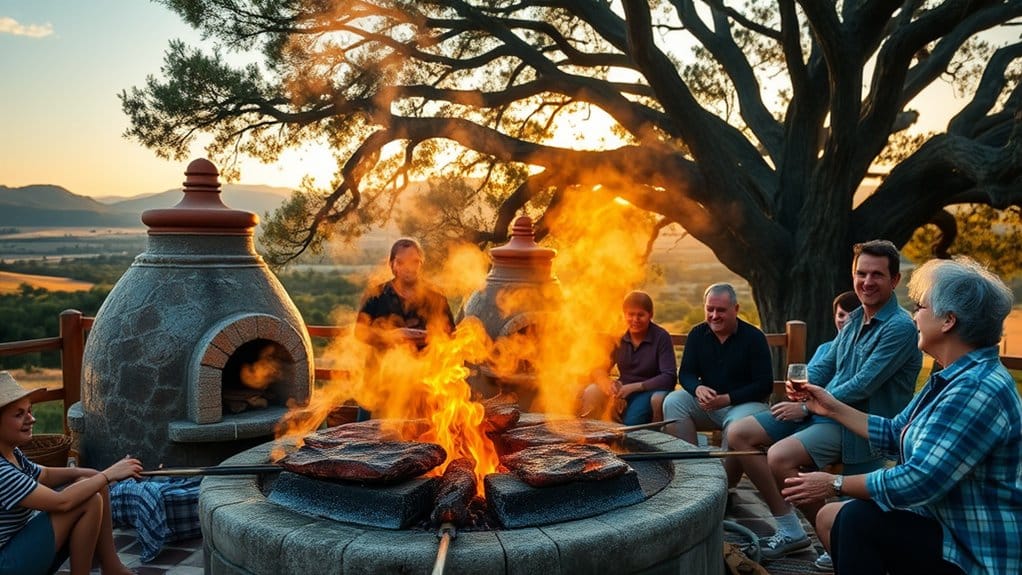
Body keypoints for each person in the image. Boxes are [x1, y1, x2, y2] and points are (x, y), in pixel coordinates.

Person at [782, 257, 1021, 575]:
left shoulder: (975, 389)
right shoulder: (952, 376)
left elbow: (919, 480)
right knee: (839, 517)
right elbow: (896, 431)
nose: (914, 316)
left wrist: (833, 483)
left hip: (973, 551)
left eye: (920, 307)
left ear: (948, 321)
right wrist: (830, 407)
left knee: (856, 521)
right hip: (943, 525)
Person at [727, 239, 921, 560]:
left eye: (877, 275)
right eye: (861, 274)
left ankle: (835, 537)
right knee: (739, 433)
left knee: (779, 457)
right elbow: (825, 363)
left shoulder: (900, 328)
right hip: (824, 412)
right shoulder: (856, 318)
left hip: (858, 423)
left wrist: (805, 405)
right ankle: (789, 527)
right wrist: (802, 386)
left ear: (895, 280)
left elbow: (861, 386)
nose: (867, 282)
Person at [0, 371, 142, 575]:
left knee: (92, 487)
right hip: (7, 564)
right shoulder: (2, 472)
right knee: (88, 500)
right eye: (19, 414)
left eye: (29, 411)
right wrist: (107, 475)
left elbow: (46, 475)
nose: (31, 419)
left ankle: (112, 567)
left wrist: (94, 474)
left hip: (18, 554)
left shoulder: (13, 454)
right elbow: (61, 502)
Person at [661, 283, 774, 486]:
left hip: (745, 405)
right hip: (710, 404)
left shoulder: (754, 338)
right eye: (710, 309)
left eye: (721, 310)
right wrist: (697, 388)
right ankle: (691, 473)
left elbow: (764, 384)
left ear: (736, 309)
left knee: (737, 427)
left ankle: (722, 486)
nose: (714, 315)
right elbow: (685, 372)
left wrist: (727, 399)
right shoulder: (697, 334)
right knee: (673, 401)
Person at [580, 291, 677, 425]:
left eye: (640, 315)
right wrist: (607, 385)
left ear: (650, 315)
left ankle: (628, 442)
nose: (635, 320)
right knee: (592, 391)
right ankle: (592, 437)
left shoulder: (661, 337)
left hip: (648, 391)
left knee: (630, 424)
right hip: (621, 389)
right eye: (630, 314)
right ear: (624, 314)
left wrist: (634, 387)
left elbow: (669, 376)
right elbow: (598, 368)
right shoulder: (617, 335)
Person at [355, 238, 455, 348]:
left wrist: (429, 336)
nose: (408, 268)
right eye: (401, 262)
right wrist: (388, 337)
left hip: (426, 363)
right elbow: (359, 332)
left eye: (414, 262)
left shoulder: (436, 297)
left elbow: (450, 334)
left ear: (421, 263)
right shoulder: (376, 294)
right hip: (383, 363)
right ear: (391, 264)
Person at [808, 291, 861, 366]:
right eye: (841, 315)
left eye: (852, 316)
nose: (846, 320)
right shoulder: (823, 349)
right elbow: (808, 375)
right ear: (834, 317)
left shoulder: (866, 351)